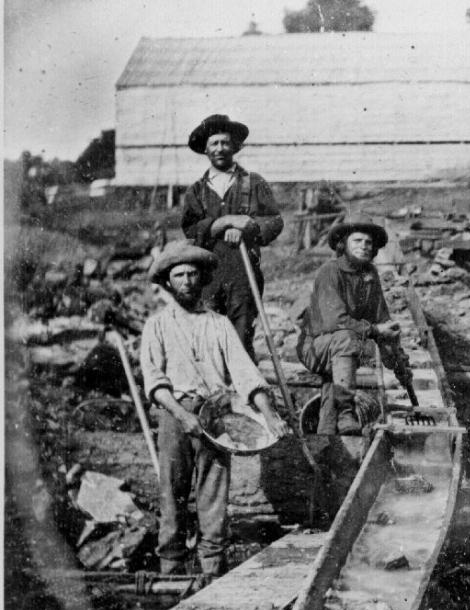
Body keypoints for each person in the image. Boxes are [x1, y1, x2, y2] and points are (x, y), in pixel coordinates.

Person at [140, 240, 290, 576]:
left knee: (213, 493)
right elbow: (154, 381)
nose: (187, 281)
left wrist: (269, 414)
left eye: (193, 274)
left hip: (215, 417)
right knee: (173, 491)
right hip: (175, 414)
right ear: (168, 282)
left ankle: (212, 568)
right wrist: (183, 416)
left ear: (203, 278)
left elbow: (245, 374)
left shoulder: (218, 324)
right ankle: (171, 565)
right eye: (179, 275)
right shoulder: (157, 325)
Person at [181, 114, 284, 360]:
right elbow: (190, 228)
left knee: (241, 338)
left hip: (243, 272)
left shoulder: (253, 182)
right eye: (214, 143)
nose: (220, 149)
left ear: (235, 147)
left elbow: (274, 220)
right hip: (207, 276)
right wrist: (223, 222)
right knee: (208, 337)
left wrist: (248, 226)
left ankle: (245, 393)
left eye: (225, 143)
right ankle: (215, 394)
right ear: (205, 149)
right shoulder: (196, 190)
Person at [296, 215, 408, 436]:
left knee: (333, 383)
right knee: (346, 338)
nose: (364, 246)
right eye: (357, 241)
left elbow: (382, 320)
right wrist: (375, 331)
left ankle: (326, 438)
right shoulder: (330, 272)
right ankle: (346, 412)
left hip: (341, 348)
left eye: (368, 243)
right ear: (343, 244)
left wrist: (399, 361)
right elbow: (335, 322)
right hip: (315, 346)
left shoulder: (370, 274)